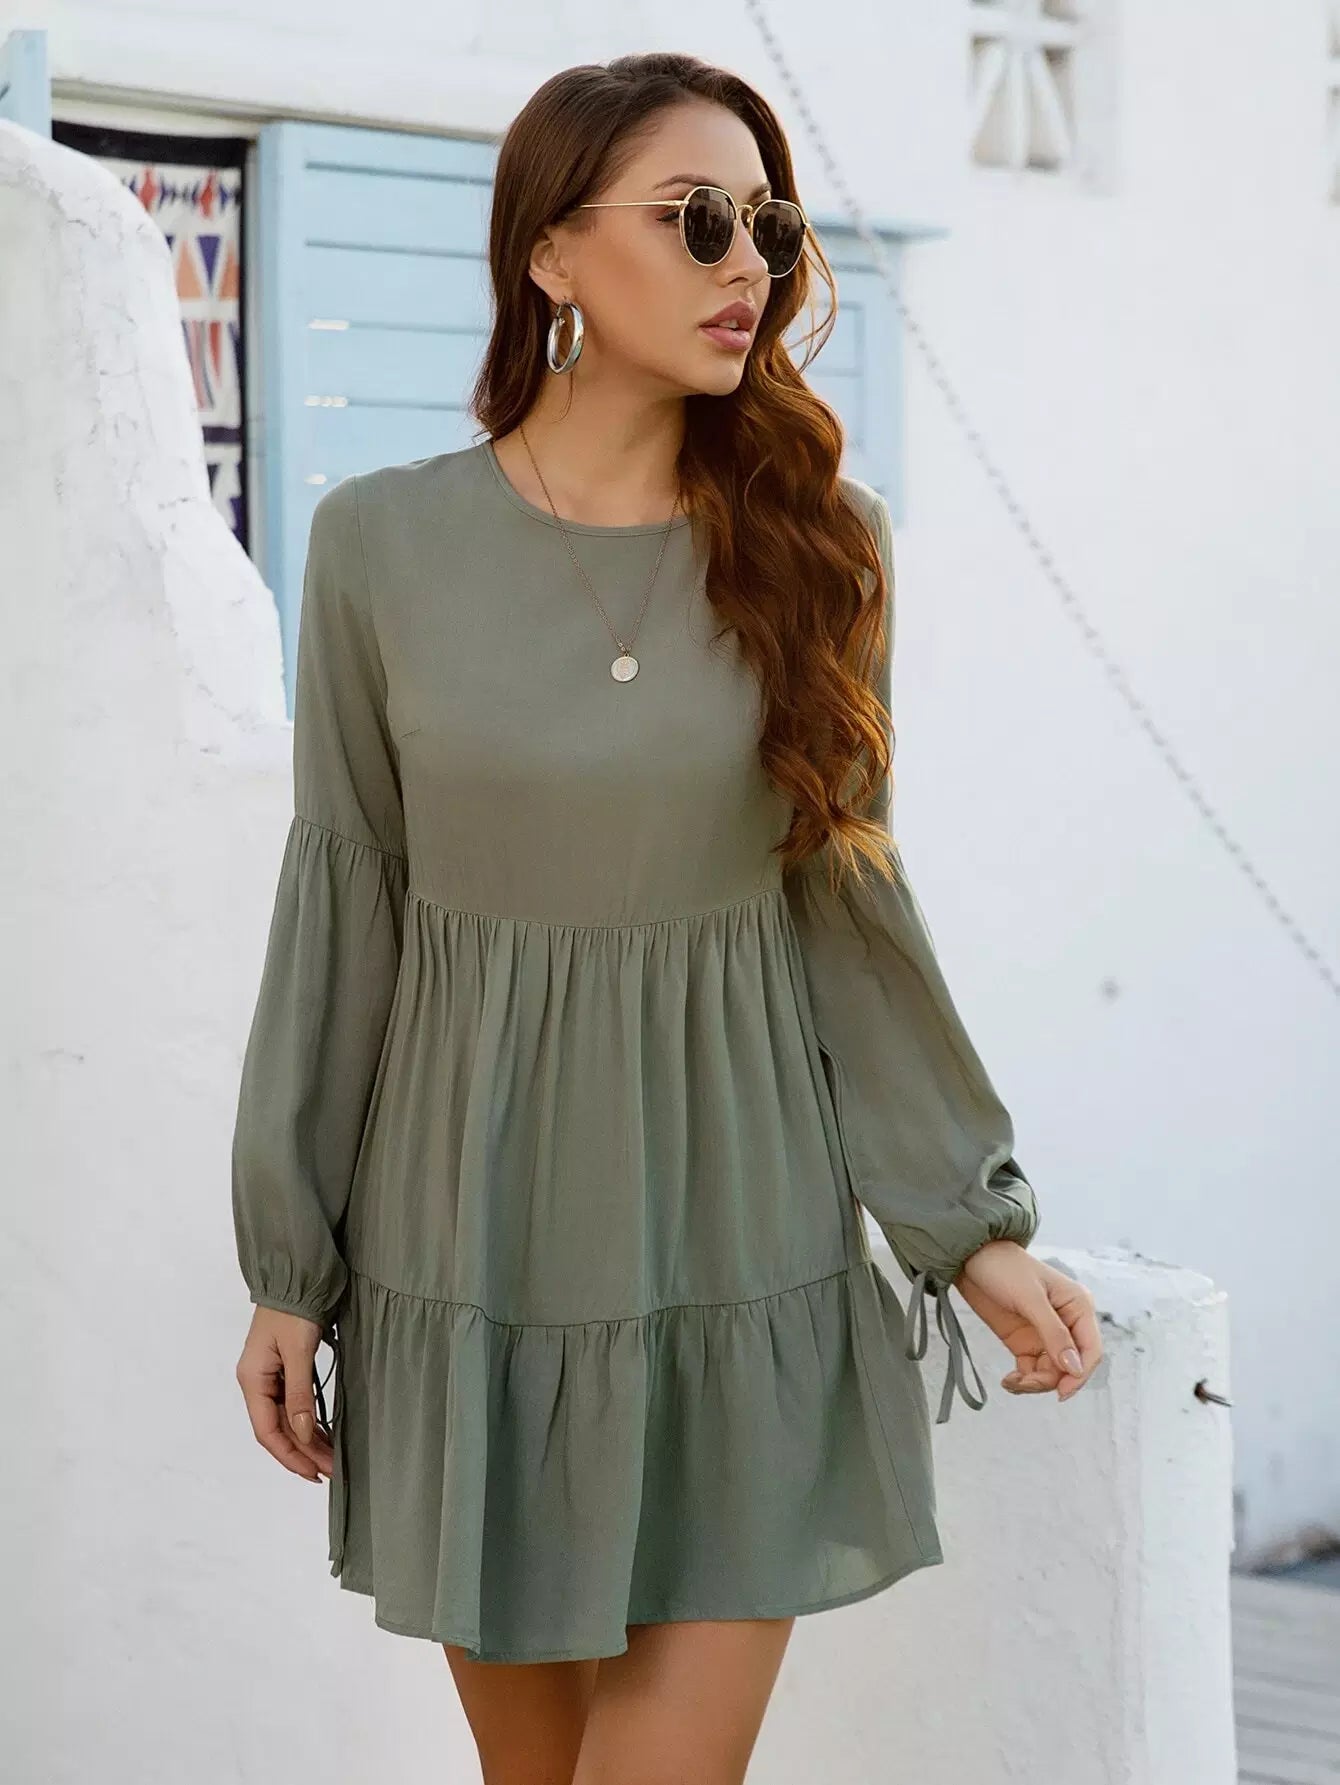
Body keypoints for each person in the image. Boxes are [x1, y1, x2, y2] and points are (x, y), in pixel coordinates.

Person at [230, 49, 1101, 1785]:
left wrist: (967, 1223)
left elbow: (849, 911)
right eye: (696, 218)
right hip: (472, 1251)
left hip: (738, 1237)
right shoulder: (379, 548)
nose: (746, 263)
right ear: (552, 251)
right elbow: (345, 907)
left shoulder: (817, 547)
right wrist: (290, 1270)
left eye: (768, 225)